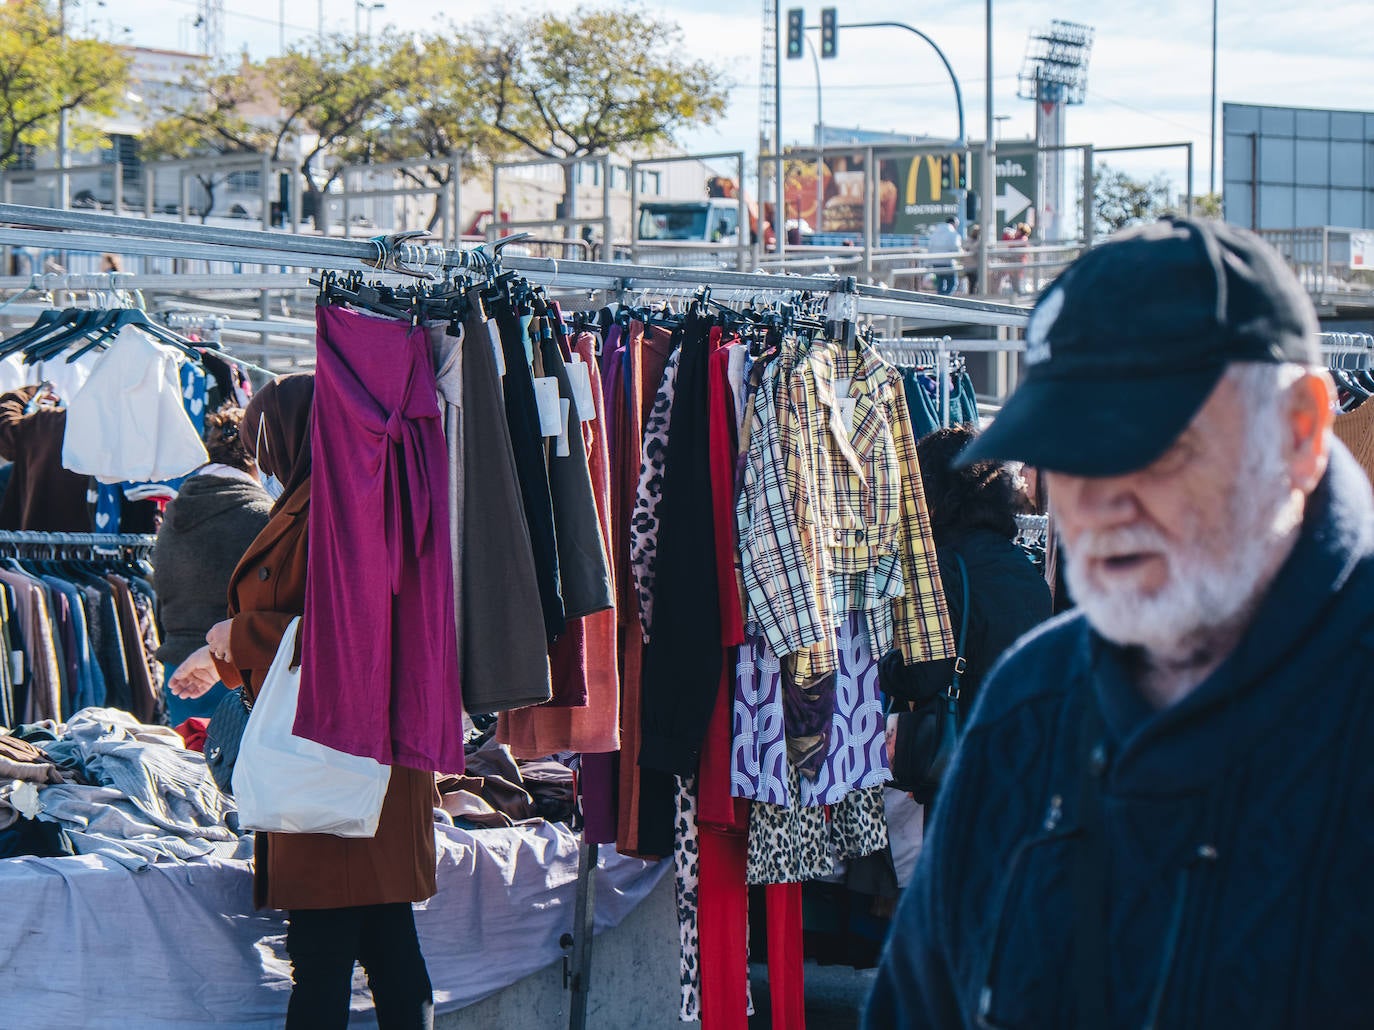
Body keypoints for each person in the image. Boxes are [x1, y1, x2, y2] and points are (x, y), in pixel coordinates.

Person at [864, 216, 1374, 1027]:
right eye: (1063, 449)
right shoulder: (1031, 704)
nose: (1097, 500)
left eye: (1149, 446)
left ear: (1302, 431)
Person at [170, 375, 437, 1030]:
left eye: (265, 434)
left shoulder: (336, 506)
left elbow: (358, 626)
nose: (260, 455)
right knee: (384, 945)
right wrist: (223, 655)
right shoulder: (322, 500)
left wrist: (241, 636)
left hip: (338, 753)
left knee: (326, 957)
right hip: (349, 758)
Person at [882, 426, 1052, 811]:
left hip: (960, 769)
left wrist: (882, 667)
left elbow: (926, 673)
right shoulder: (1026, 571)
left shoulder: (943, 568)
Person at [153, 405, 272, 726]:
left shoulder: (175, 510)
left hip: (178, 667)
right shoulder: (262, 515)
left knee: (186, 768)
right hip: (233, 666)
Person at [927, 216, 963, 296]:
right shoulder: (953, 234)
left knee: (940, 284)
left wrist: (929, 262)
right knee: (952, 283)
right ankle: (947, 299)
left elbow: (930, 248)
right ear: (954, 224)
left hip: (936, 261)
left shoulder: (935, 233)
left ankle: (940, 300)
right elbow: (955, 248)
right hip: (948, 261)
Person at [963, 223, 981, 295]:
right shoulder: (977, 242)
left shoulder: (968, 240)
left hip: (969, 266)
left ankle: (972, 296)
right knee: (973, 284)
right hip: (974, 267)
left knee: (972, 285)